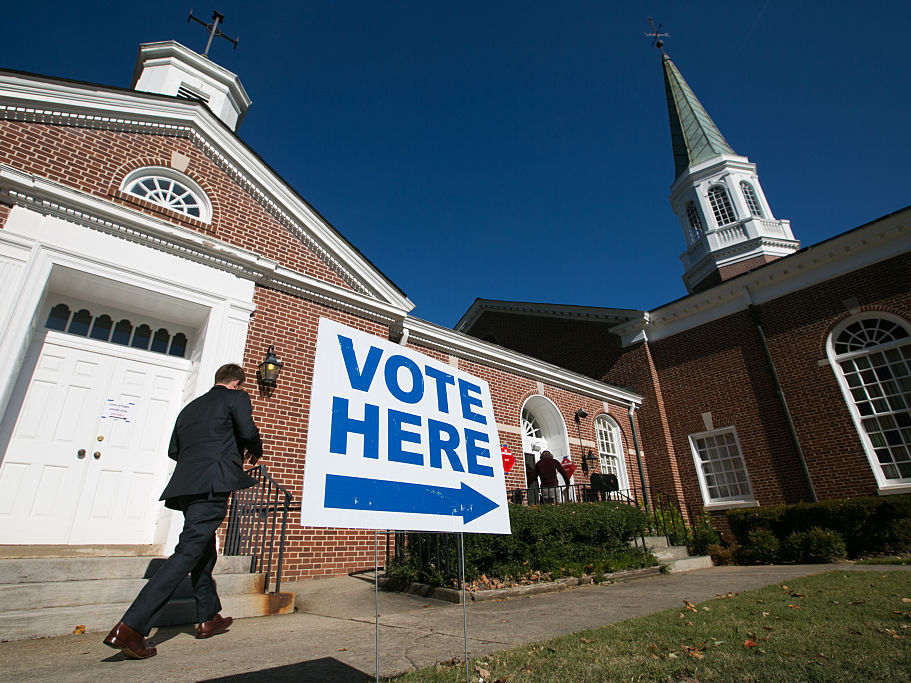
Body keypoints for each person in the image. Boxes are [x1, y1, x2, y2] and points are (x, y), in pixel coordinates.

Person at [103, 363, 263, 659]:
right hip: (213, 484)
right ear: (238, 383)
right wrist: (255, 448)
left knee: (203, 549)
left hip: (186, 487)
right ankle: (131, 627)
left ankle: (208, 617)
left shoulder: (189, 409)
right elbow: (247, 430)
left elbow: (174, 450)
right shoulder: (236, 399)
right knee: (188, 551)